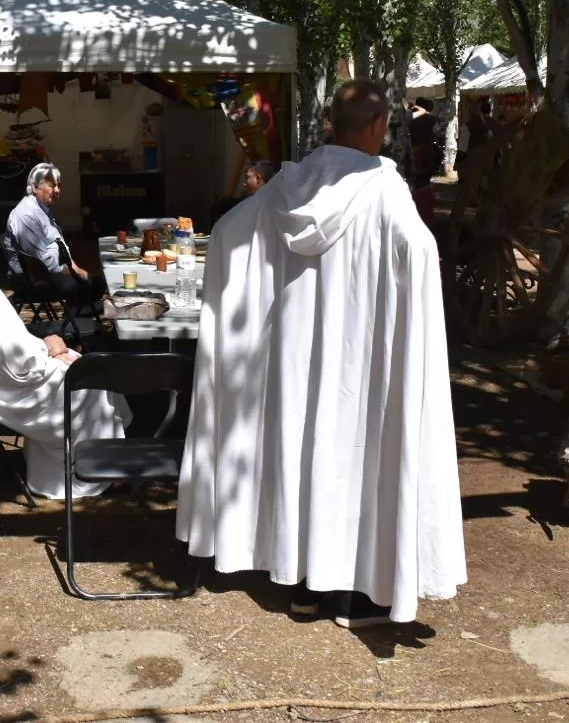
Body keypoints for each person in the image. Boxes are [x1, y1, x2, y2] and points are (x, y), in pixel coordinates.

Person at [178, 80, 465, 629]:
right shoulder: (383, 189)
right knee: (358, 463)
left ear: (331, 125)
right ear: (380, 127)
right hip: (362, 364)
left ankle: (306, 588)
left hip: (298, 365)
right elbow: (420, 251)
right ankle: (357, 594)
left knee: (306, 458)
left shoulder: (290, 185)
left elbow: (228, 232)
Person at [0, 190, 131, 498]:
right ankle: (101, 470)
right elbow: (16, 359)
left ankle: (66, 467)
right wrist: (47, 348)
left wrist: (45, 346)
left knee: (75, 358)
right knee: (91, 378)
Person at [4, 162, 107, 314]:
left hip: (45, 275)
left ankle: (77, 317)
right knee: (96, 284)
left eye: (59, 185)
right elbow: (42, 263)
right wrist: (77, 272)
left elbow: (58, 246)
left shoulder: (41, 210)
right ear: (34, 187)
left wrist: (74, 267)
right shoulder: (27, 216)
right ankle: (75, 323)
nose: (57, 190)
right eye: (52, 185)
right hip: (34, 281)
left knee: (97, 283)